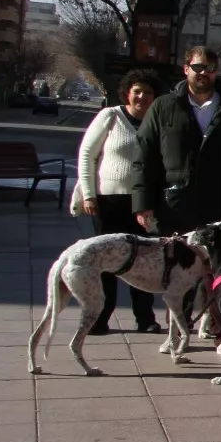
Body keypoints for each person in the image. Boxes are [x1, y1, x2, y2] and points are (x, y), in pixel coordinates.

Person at [133, 46, 221, 237]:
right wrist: (143, 203)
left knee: (214, 266)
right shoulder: (163, 107)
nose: (203, 73)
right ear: (186, 69)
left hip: (220, 211)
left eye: (209, 68)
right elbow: (144, 157)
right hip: (172, 208)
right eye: (198, 67)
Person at [75, 68, 164, 335]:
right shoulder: (110, 116)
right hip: (108, 200)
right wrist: (89, 194)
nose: (142, 97)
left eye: (148, 93)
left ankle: (145, 318)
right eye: (137, 91)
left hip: (142, 202)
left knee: (142, 260)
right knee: (107, 261)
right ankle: (101, 318)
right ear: (127, 92)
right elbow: (86, 155)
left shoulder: (157, 120)